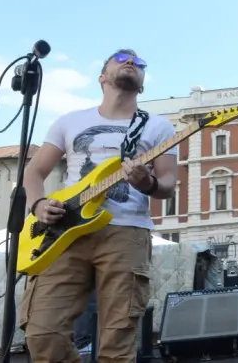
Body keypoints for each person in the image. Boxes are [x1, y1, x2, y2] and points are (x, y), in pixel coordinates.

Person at [18, 49, 178, 363]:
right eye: (121, 57)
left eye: (139, 62)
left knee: (117, 340)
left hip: (127, 231)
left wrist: (146, 183)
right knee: (42, 331)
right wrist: (38, 204)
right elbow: (34, 172)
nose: (131, 61)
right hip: (64, 232)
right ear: (102, 77)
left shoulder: (158, 126)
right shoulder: (70, 121)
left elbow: (168, 184)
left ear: (142, 85)